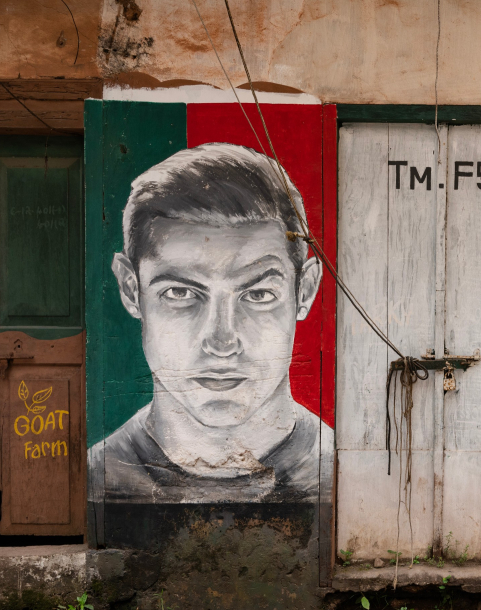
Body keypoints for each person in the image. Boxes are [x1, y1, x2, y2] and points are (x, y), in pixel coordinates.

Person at [88, 143, 330, 504]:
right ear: (130, 289)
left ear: (305, 291)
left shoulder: (342, 470)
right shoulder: (97, 475)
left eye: (259, 295)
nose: (221, 341)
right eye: (180, 293)